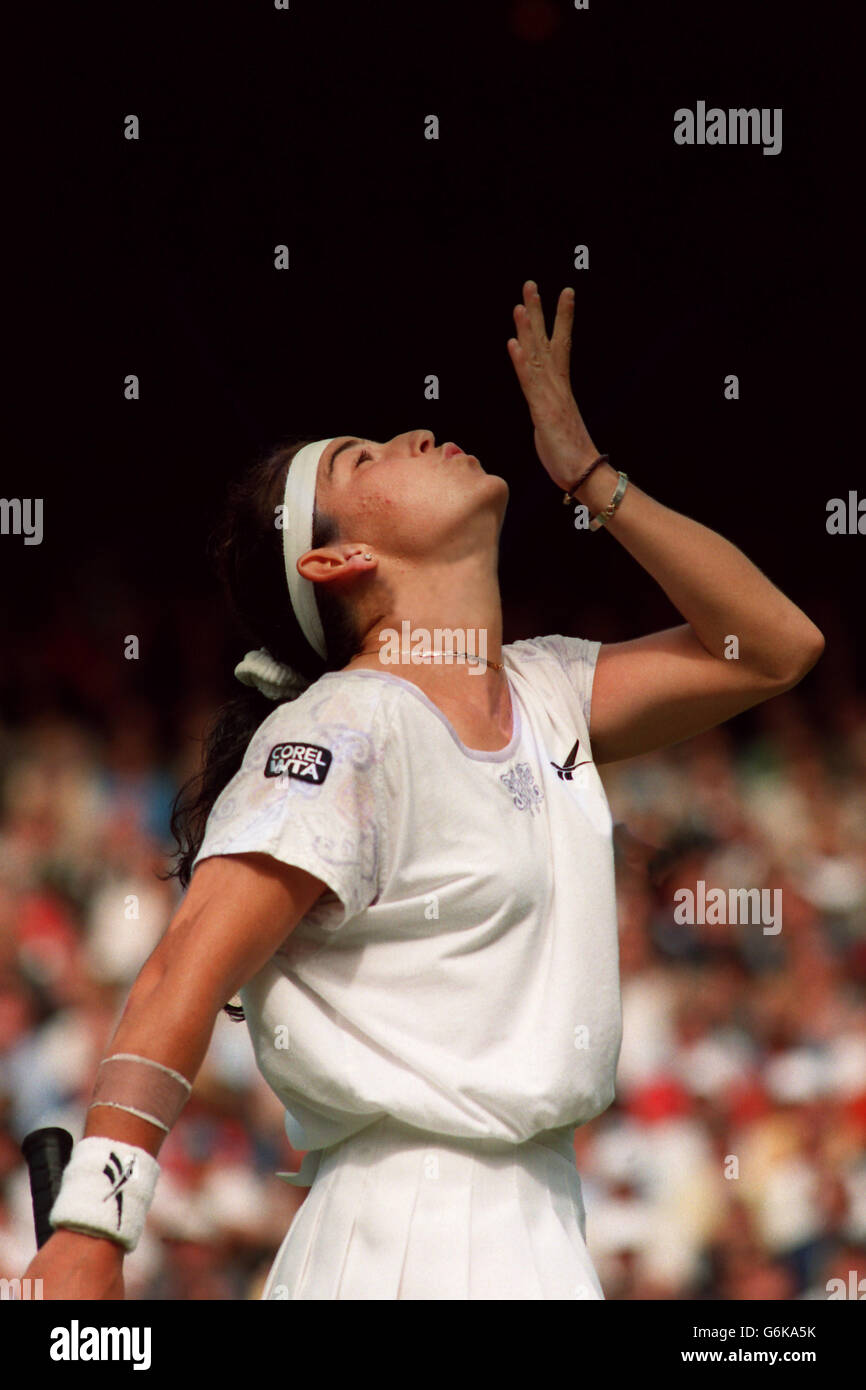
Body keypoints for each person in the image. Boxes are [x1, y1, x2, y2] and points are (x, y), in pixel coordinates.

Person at [24, 280, 824, 1299]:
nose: (411, 431)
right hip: (403, 1241)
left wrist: (588, 474)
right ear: (336, 558)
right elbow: (181, 969)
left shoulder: (547, 691)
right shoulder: (339, 728)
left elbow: (770, 647)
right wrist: (95, 1222)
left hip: (543, 1229)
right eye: (363, 458)